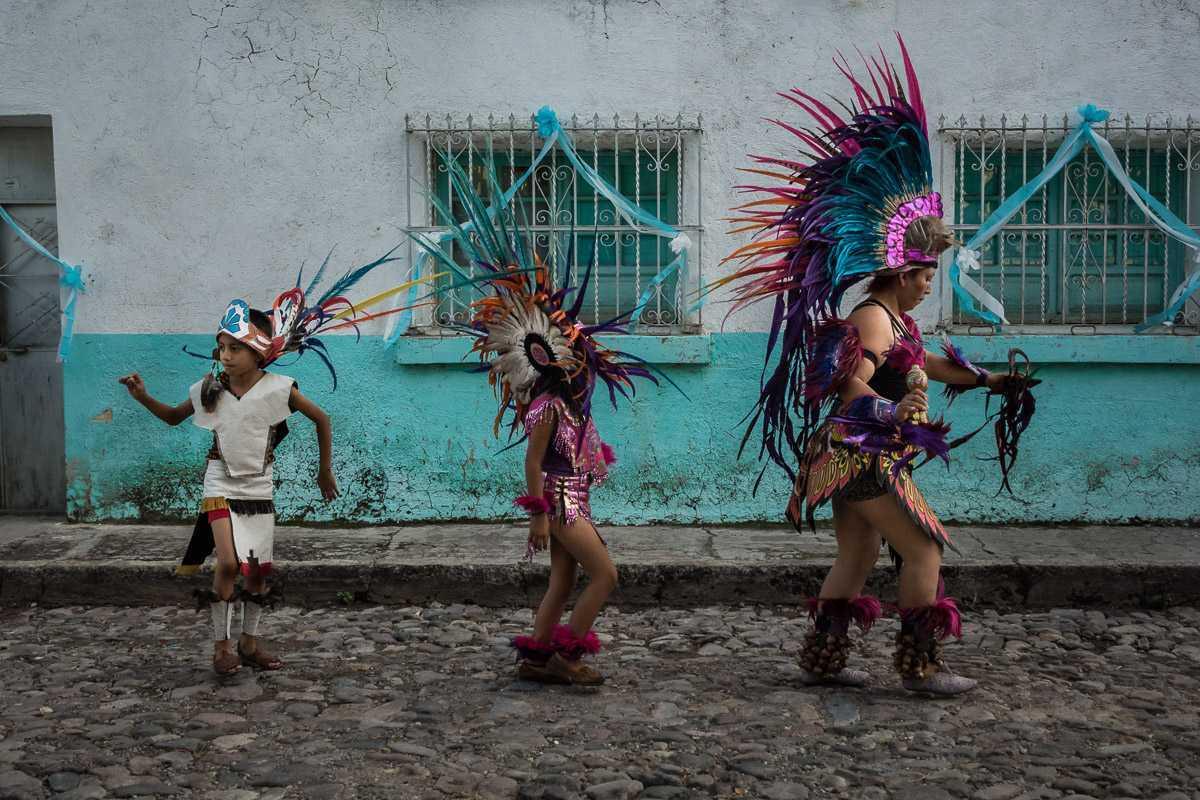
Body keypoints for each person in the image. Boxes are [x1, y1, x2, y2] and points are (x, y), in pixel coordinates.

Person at [715, 36, 1037, 695]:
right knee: (923, 548)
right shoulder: (871, 317)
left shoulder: (900, 322)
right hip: (862, 455)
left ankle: (823, 661)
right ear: (896, 266)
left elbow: (931, 368)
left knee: (858, 553)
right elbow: (849, 380)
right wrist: (893, 410)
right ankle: (919, 667)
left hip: (853, 455)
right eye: (922, 271)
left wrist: (989, 382)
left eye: (931, 272)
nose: (928, 282)